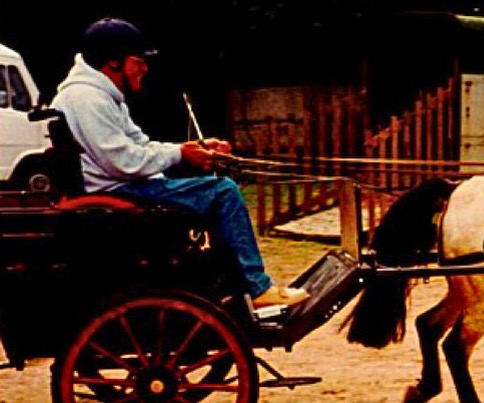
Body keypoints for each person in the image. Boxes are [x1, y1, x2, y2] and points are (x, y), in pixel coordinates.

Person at [51, 17, 308, 317]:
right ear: (114, 62)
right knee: (224, 192)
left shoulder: (100, 96)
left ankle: (230, 284)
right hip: (117, 191)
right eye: (138, 61)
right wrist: (181, 155)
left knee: (215, 189)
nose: (144, 68)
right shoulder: (88, 98)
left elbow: (141, 145)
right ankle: (256, 287)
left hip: (119, 185)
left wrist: (192, 149)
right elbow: (124, 162)